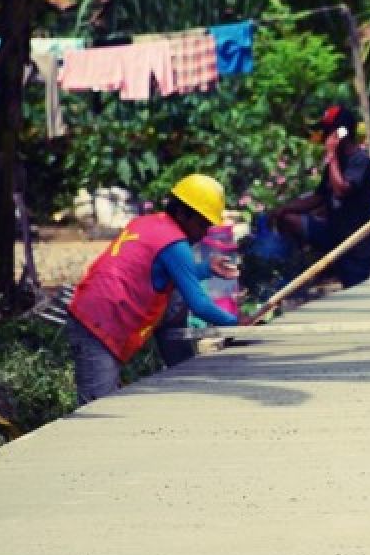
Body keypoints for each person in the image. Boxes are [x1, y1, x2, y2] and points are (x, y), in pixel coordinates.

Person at [67, 173, 241, 404]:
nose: (203, 232)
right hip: (99, 321)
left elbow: (160, 276)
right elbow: (199, 305)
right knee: (98, 408)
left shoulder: (149, 223)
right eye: (200, 224)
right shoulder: (175, 244)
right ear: (181, 213)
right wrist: (236, 325)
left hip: (95, 310)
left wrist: (206, 269)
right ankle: (183, 370)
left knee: (176, 296)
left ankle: (183, 370)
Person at [269, 104, 370, 288]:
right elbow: (319, 197)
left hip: (358, 241)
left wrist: (332, 155)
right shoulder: (335, 164)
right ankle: (296, 268)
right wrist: (284, 209)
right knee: (289, 219)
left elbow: (341, 189)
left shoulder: (359, 161)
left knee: (354, 286)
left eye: (328, 132)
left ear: (341, 134)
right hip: (335, 232)